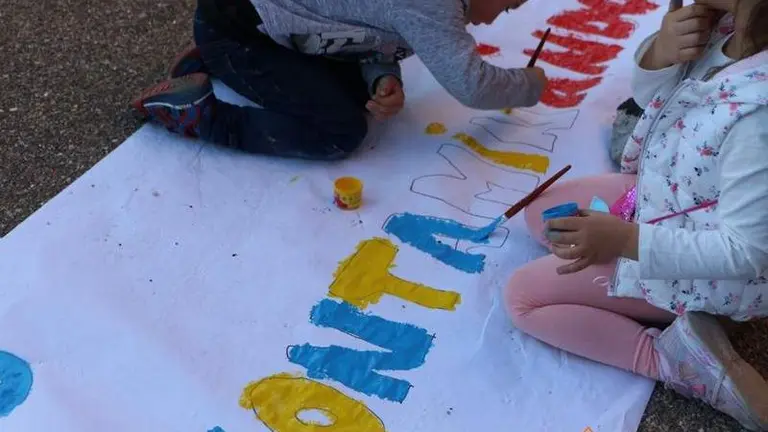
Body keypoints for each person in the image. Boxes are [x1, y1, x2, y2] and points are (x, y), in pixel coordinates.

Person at [504, 0, 768, 429]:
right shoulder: (727, 27)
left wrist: (625, 241)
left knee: (522, 297)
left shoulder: (759, 118)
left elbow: (746, 253)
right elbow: (653, 101)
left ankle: (673, 360)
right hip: (677, 196)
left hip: (709, 274)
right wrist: (660, 53)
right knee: (542, 216)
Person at [130, 0, 547, 160]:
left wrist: (381, 75)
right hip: (239, 30)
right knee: (338, 131)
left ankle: (222, 60)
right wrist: (532, 84)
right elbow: (471, 85)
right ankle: (202, 115)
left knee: (355, 99)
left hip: (259, 22)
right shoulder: (435, 6)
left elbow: (365, 21)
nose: (497, 19)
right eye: (508, 7)